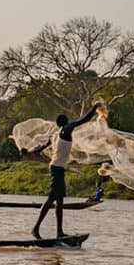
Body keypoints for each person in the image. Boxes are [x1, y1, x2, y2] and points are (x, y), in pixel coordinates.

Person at [32, 102, 102, 239]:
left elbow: (41, 147)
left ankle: (59, 232)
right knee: (51, 199)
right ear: (65, 123)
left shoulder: (56, 134)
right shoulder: (66, 129)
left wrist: (31, 150)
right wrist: (95, 107)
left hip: (57, 168)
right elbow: (83, 120)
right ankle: (35, 228)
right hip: (57, 169)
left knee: (59, 202)